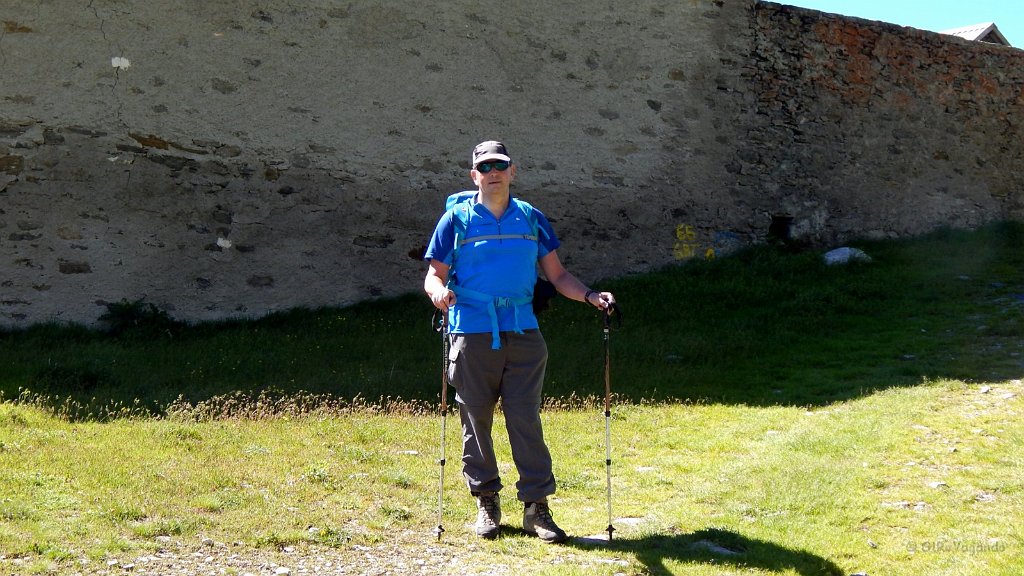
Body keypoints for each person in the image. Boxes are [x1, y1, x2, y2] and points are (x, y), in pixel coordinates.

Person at [423, 140, 616, 543]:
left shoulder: (531, 218)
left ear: (513, 171)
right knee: (475, 419)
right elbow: (434, 274)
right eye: (484, 167)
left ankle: (536, 508)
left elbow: (558, 276)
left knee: (525, 418)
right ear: (474, 175)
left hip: (524, 331)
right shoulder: (456, 220)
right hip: (471, 331)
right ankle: (486, 501)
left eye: (500, 165)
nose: (492, 172)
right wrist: (438, 292)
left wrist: (590, 296)